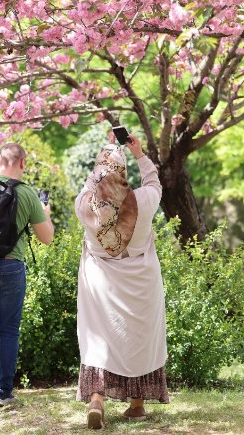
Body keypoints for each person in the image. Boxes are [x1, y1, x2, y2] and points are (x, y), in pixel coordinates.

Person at [74, 133, 168, 430]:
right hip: (141, 281)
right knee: (139, 337)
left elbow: (91, 185)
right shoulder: (143, 200)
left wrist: (103, 159)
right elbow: (154, 182)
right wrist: (138, 153)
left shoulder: (85, 206)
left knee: (99, 336)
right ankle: (137, 405)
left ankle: (97, 400)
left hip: (101, 282)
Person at [0, 142, 54, 408]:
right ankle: (4, 392)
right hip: (11, 267)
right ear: (23, 163)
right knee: (8, 331)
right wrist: (45, 213)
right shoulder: (27, 194)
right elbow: (46, 238)